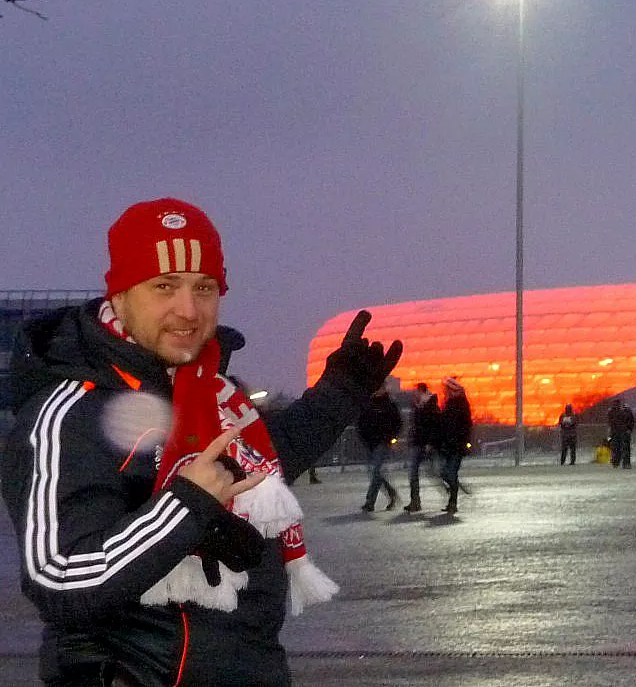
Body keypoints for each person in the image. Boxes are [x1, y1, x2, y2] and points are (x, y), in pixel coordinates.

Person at [0, 198, 402, 686]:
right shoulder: (69, 412)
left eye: (204, 287)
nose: (188, 310)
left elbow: (265, 463)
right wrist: (186, 510)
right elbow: (59, 576)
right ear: (121, 295)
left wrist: (340, 394)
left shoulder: (212, 392)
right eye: (164, 286)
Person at [357, 386, 403, 513]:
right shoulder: (368, 404)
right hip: (370, 443)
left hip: (382, 443)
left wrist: (391, 438)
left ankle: (370, 502)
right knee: (375, 473)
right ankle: (391, 493)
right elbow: (361, 422)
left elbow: (397, 423)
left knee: (376, 472)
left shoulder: (389, 405)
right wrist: (364, 438)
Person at [438, 377, 472, 515]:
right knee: (446, 472)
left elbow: (466, 425)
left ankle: (453, 501)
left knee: (450, 472)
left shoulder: (460, 405)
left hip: (456, 445)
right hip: (449, 445)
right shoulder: (448, 404)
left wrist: (463, 441)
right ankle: (453, 495)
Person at [405, 382, 440, 513]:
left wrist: (430, 443)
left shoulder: (430, 407)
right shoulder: (417, 406)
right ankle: (415, 501)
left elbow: (434, 426)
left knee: (432, 472)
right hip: (417, 444)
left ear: (422, 391)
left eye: (416, 391)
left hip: (426, 445)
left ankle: (451, 491)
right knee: (414, 472)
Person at [607, 398, 635, 469]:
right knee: (620, 448)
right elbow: (631, 420)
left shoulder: (613, 411)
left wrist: (629, 429)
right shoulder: (624, 410)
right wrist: (629, 429)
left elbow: (631, 420)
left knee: (618, 448)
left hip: (620, 431)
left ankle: (619, 462)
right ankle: (622, 462)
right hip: (620, 431)